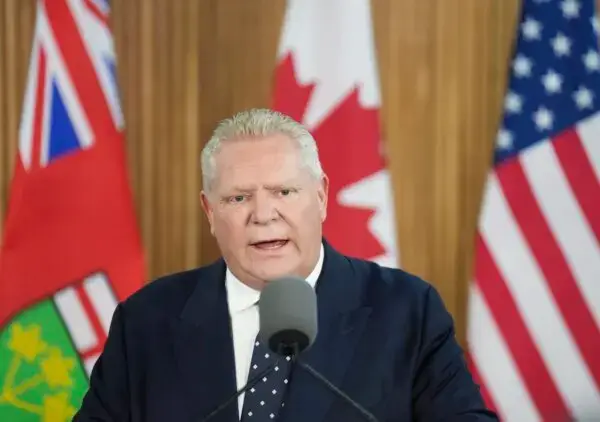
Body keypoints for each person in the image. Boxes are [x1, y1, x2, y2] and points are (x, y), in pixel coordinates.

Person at [74, 108, 498, 422]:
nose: (263, 214)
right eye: (238, 198)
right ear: (209, 211)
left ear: (321, 196)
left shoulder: (407, 311)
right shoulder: (147, 320)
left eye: (283, 192)